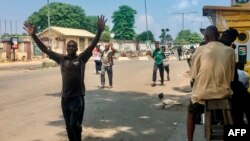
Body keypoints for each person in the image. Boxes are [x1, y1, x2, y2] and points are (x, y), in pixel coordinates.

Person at [23, 15, 106, 141]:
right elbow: (45, 49)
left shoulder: (81, 58)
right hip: (65, 99)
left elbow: (91, 46)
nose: (71, 48)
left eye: (74, 46)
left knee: (74, 124)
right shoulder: (62, 59)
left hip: (77, 98)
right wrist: (33, 35)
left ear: (77, 49)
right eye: (69, 46)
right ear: (66, 48)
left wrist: (99, 31)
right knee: (68, 126)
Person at [187, 25, 236, 141]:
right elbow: (231, 78)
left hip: (202, 94)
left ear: (205, 38)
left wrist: (195, 88)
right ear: (218, 36)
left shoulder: (199, 50)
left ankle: (189, 140)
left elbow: (193, 76)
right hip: (223, 94)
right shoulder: (230, 51)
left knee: (191, 114)